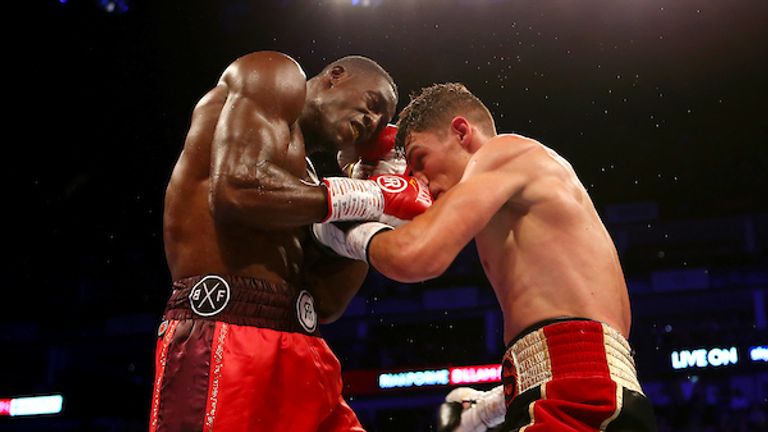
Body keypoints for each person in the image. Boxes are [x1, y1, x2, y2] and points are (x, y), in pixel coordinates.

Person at [316, 83, 657, 431]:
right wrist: (487, 409)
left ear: (461, 131)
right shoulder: (518, 196)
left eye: (420, 160)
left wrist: (340, 221)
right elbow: (578, 343)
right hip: (586, 393)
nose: (419, 182)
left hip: (578, 398)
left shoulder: (503, 152)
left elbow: (416, 256)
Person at [151, 51, 431, 432]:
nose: (371, 123)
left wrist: (377, 207)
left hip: (303, 348)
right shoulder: (273, 74)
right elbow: (236, 190)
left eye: (380, 121)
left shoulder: (307, 188)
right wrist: (368, 196)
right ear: (335, 76)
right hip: (226, 335)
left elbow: (326, 302)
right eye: (372, 104)